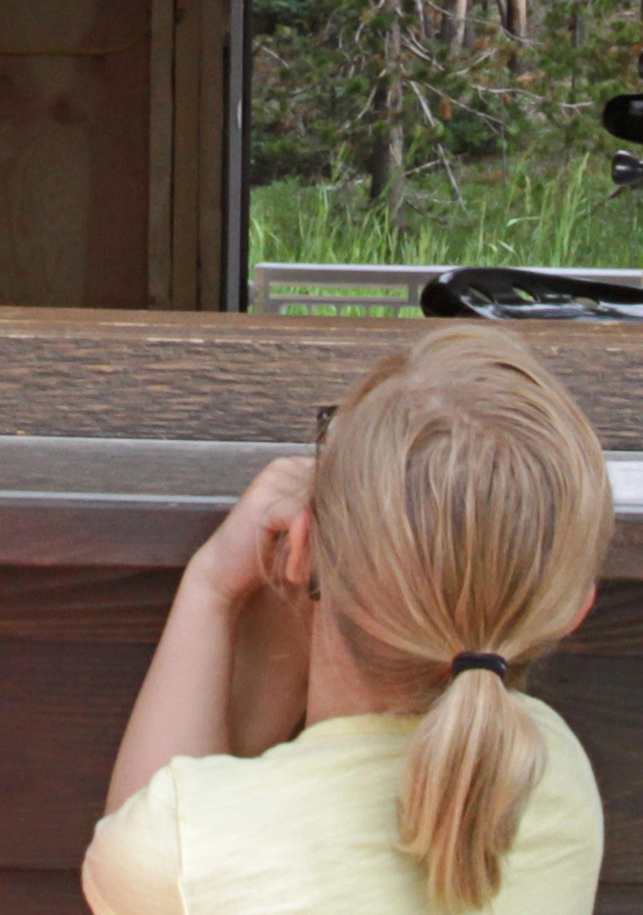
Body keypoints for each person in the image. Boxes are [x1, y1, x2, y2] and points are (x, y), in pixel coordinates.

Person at [87, 329, 613, 915]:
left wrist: (212, 584)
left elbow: (140, 847)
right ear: (573, 611)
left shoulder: (181, 851)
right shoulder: (556, 773)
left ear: (302, 545)